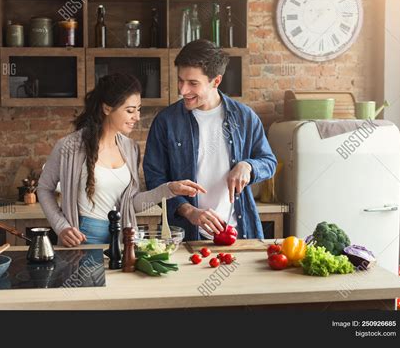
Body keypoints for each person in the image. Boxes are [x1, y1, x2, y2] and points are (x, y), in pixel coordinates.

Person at [38, 73, 205, 247]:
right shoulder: (69, 147)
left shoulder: (131, 148)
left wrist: (169, 189)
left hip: (122, 238)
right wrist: (61, 227)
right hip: (83, 238)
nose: (137, 117)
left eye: (138, 109)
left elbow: (131, 205)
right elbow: (44, 188)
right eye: (130, 110)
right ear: (107, 109)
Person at [143, 39, 277, 241]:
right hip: (186, 237)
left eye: (193, 83)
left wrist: (248, 166)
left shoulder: (245, 117)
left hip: (238, 234)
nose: (182, 90)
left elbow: (269, 162)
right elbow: (155, 179)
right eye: (180, 80)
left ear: (216, 81)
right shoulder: (166, 122)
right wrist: (188, 211)